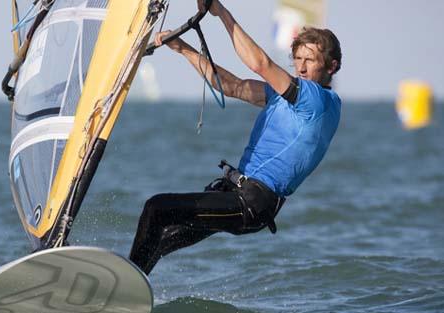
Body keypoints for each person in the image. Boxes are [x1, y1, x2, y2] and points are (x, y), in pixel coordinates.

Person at [129, 0, 342, 275]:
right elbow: (232, 87)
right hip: (234, 192)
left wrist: (220, 12)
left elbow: (260, 64)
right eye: (298, 59)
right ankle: (129, 283)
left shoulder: (318, 100)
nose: (300, 68)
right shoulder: (283, 97)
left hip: (252, 204)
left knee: (156, 208)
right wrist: (183, 49)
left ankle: (125, 278)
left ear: (331, 67)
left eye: (309, 60)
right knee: (163, 238)